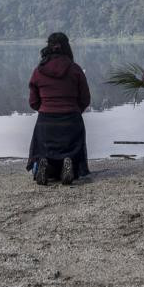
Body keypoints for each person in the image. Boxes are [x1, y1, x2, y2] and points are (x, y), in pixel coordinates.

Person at [27, 32, 91, 186]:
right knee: (71, 152)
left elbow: (33, 102)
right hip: (71, 121)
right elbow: (85, 99)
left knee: (45, 152)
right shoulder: (75, 70)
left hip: (46, 123)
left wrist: (46, 109)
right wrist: (74, 110)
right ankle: (68, 164)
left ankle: (45, 165)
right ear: (67, 47)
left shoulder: (38, 71)